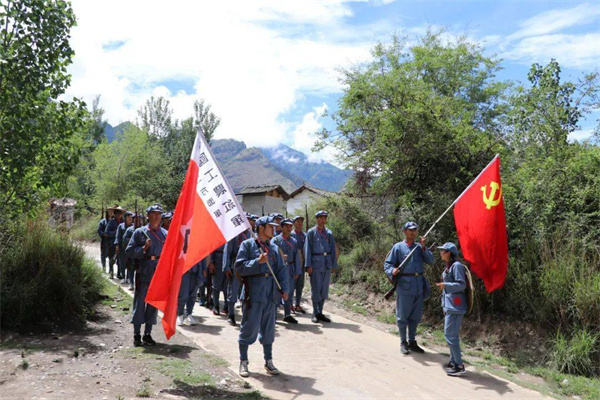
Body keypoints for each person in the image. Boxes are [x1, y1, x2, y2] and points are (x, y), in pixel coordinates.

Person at [235, 216, 289, 377]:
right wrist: (257, 262)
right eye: (270, 227)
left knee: (269, 330)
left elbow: (281, 270)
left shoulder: (273, 248)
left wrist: (284, 289)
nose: (274, 230)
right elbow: (240, 268)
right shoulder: (248, 245)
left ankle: (268, 361)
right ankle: (243, 361)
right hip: (254, 294)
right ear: (260, 228)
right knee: (249, 328)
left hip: (270, 294)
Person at [384, 221, 433, 355]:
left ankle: (412, 341)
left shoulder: (419, 247)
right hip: (405, 284)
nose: (413, 232)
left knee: (415, 316)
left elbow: (430, 260)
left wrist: (424, 247)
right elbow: (388, 264)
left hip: (418, 285)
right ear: (404, 231)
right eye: (410, 230)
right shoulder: (398, 247)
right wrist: (392, 270)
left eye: (415, 230)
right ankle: (403, 341)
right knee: (403, 316)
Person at [125, 204, 167, 347]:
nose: (156, 217)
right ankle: (137, 334)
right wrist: (143, 248)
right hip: (144, 270)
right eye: (153, 214)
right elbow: (129, 251)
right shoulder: (139, 232)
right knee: (140, 302)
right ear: (148, 216)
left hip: (158, 271)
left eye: (159, 214)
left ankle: (147, 334)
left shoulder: (165, 234)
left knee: (153, 303)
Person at [435, 242, 468, 376]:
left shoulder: (457, 266)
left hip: (456, 307)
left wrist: (445, 284)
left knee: (450, 335)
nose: (440, 253)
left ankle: (459, 366)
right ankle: (453, 361)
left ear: (448, 253)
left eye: (442, 251)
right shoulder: (449, 266)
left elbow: (461, 285)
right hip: (449, 306)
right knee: (451, 335)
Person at [304, 210, 337, 323]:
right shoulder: (311, 232)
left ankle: (321, 312)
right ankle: (315, 312)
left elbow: (333, 250)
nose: (322, 220)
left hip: (326, 263)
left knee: (324, 290)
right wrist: (308, 265)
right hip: (316, 263)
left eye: (324, 218)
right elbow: (307, 249)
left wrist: (333, 264)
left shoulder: (329, 233)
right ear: (317, 219)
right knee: (316, 289)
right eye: (320, 218)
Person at [223, 214, 254, 326]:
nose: (248, 222)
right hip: (235, 265)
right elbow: (227, 250)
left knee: (245, 293)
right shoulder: (234, 233)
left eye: (249, 220)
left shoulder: (251, 235)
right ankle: (231, 315)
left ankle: (244, 316)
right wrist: (226, 267)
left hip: (247, 267)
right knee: (233, 291)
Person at [273, 218, 301, 324]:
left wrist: (297, 271)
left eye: (290, 226)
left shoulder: (293, 241)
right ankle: (274, 315)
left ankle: (287, 314)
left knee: (289, 291)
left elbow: (296, 257)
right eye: (287, 226)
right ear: (282, 227)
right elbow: (272, 253)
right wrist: (280, 256)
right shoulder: (275, 240)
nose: (289, 228)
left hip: (290, 269)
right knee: (277, 292)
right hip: (279, 269)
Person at [177, 258, 207, 326]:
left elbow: (203, 254)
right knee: (183, 295)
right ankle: (180, 315)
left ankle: (189, 314)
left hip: (196, 272)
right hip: (184, 272)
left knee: (193, 295)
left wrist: (204, 269)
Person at [290, 215, 306, 314]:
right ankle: (290, 304)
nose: (300, 224)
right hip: (294, 260)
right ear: (294, 223)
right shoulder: (291, 235)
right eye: (298, 221)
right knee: (292, 284)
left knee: (300, 284)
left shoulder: (304, 235)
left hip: (302, 261)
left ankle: (298, 304)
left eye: (301, 222)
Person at [104, 206, 125, 279]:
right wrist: (115, 233)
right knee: (111, 258)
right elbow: (107, 232)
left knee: (120, 259)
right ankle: (111, 272)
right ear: (115, 214)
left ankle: (119, 273)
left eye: (120, 213)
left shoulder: (123, 222)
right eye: (117, 213)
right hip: (112, 243)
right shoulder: (111, 222)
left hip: (121, 243)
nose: (119, 215)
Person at [122, 213, 141, 290]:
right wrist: (133, 241)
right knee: (131, 268)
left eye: (139, 219)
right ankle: (131, 283)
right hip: (132, 252)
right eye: (135, 219)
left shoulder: (143, 229)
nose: (137, 221)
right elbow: (124, 239)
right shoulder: (129, 230)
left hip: (140, 253)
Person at [115, 211, 134, 284]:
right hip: (122, 247)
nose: (130, 218)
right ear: (125, 218)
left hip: (131, 248)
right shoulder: (121, 226)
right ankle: (123, 277)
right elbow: (118, 236)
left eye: (131, 217)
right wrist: (117, 246)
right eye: (128, 217)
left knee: (130, 263)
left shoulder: (133, 226)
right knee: (122, 263)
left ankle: (129, 277)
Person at [210, 244, 228, 316]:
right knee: (216, 286)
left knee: (226, 286)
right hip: (218, 260)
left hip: (228, 261)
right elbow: (211, 248)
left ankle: (226, 307)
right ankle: (216, 306)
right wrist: (211, 262)